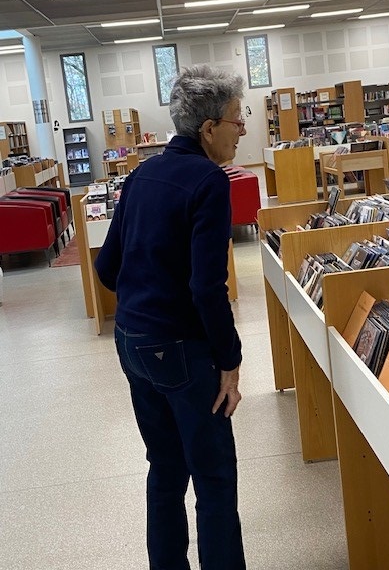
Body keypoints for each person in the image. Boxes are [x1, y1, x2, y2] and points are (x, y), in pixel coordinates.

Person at [94, 64, 247, 570]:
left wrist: (147, 296)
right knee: (214, 477)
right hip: (181, 350)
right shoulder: (209, 181)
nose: (243, 128)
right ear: (209, 128)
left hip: (131, 342)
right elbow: (207, 287)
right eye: (237, 119)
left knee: (164, 468)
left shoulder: (141, 174)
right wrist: (229, 361)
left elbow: (106, 267)